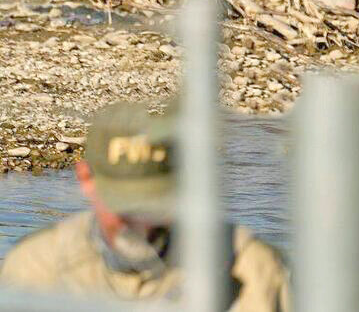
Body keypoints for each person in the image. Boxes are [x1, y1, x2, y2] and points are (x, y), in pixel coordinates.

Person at [0, 102, 292, 310]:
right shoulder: (34, 270)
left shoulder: (252, 269)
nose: (142, 222)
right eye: (124, 204)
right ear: (87, 179)